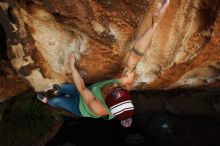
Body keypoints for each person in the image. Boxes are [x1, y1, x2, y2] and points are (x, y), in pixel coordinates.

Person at [37, 0, 170, 128]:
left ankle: (48, 101)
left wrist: (72, 66)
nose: (113, 85)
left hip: (81, 107)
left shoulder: (98, 108)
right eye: (118, 89)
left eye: (111, 91)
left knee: (59, 101)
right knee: (62, 88)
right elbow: (136, 55)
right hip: (88, 93)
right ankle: (58, 90)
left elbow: (82, 88)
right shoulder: (124, 84)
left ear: (107, 101)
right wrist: (155, 25)